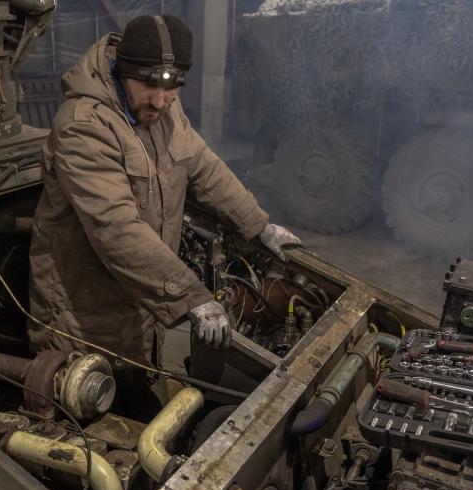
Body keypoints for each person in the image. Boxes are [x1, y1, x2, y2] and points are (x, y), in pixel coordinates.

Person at [28, 14, 301, 373]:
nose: (160, 102)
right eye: (148, 85)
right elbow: (117, 229)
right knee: (88, 420)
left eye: (171, 89)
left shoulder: (164, 110)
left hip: (140, 305)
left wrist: (258, 225)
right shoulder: (84, 126)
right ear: (122, 71)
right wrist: (191, 298)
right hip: (84, 319)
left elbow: (202, 164)